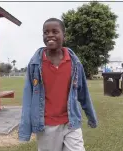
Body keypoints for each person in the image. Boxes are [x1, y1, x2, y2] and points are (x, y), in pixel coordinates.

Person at [18, 18, 98, 151]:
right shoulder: (35, 65)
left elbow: (83, 93)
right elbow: (28, 98)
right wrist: (26, 127)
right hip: (47, 125)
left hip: (71, 122)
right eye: (46, 32)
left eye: (55, 31)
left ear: (64, 36)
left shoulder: (74, 63)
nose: (49, 35)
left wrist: (91, 117)